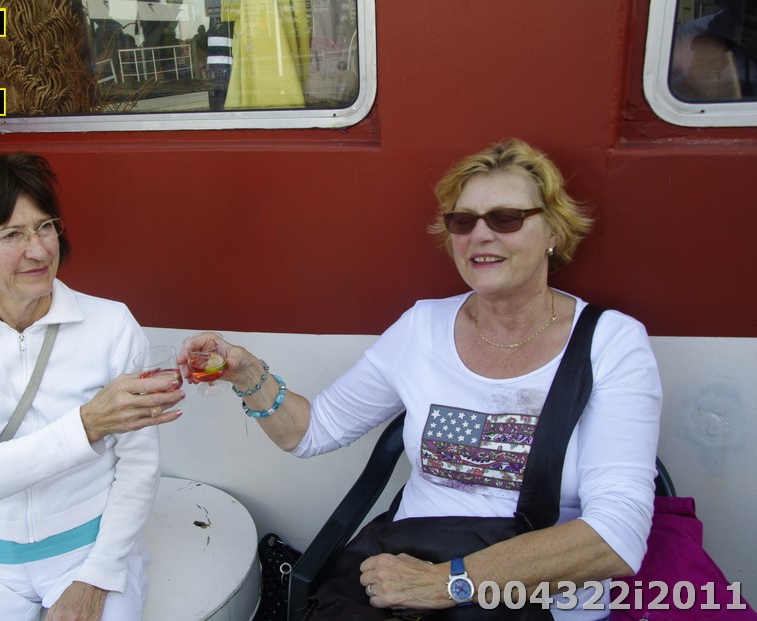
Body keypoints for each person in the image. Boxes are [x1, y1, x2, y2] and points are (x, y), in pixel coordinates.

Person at [181, 139, 662, 619]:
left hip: (538, 597)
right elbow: (312, 431)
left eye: (506, 218)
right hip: (405, 571)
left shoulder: (610, 342)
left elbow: (617, 535)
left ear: (553, 230)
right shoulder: (422, 327)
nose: (481, 234)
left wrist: (448, 582)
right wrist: (245, 372)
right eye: (464, 221)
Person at [0, 153, 185, 621]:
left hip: (88, 549)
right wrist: (87, 425)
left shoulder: (111, 324)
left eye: (45, 227)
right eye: (11, 235)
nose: (39, 251)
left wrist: (97, 574)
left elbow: (139, 465)